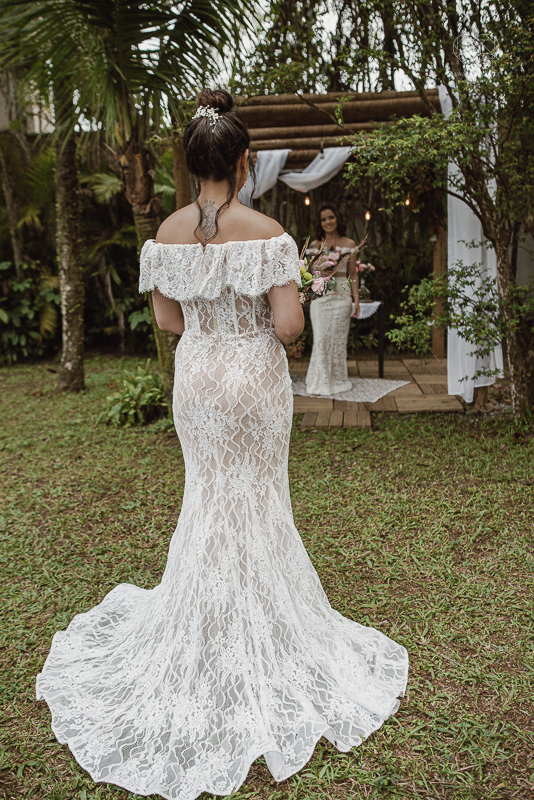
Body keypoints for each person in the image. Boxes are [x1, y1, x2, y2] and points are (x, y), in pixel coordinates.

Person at [36, 90, 408, 800]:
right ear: (243, 161)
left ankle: (204, 623)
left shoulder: (169, 233)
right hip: (254, 381)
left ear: (190, 161)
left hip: (199, 378)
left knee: (207, 495)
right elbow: (291, 329)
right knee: (258, 498)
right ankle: (260, 619)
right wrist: (279, 303)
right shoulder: (269, 232)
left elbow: (170, 321)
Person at [305, 203, 360, 396]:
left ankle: (338, 380)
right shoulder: (314, 246)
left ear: (337, 219)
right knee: (321, 338)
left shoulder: (350, 244)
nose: (328, 222)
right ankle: (320, 382)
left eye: (331, 217)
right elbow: (310, 275)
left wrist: (356, 300)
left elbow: (353, 273)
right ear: (320, 223)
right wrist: (321, 270)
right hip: (321, 298)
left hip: (342, 297)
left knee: (338, 340)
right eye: (323, 219)